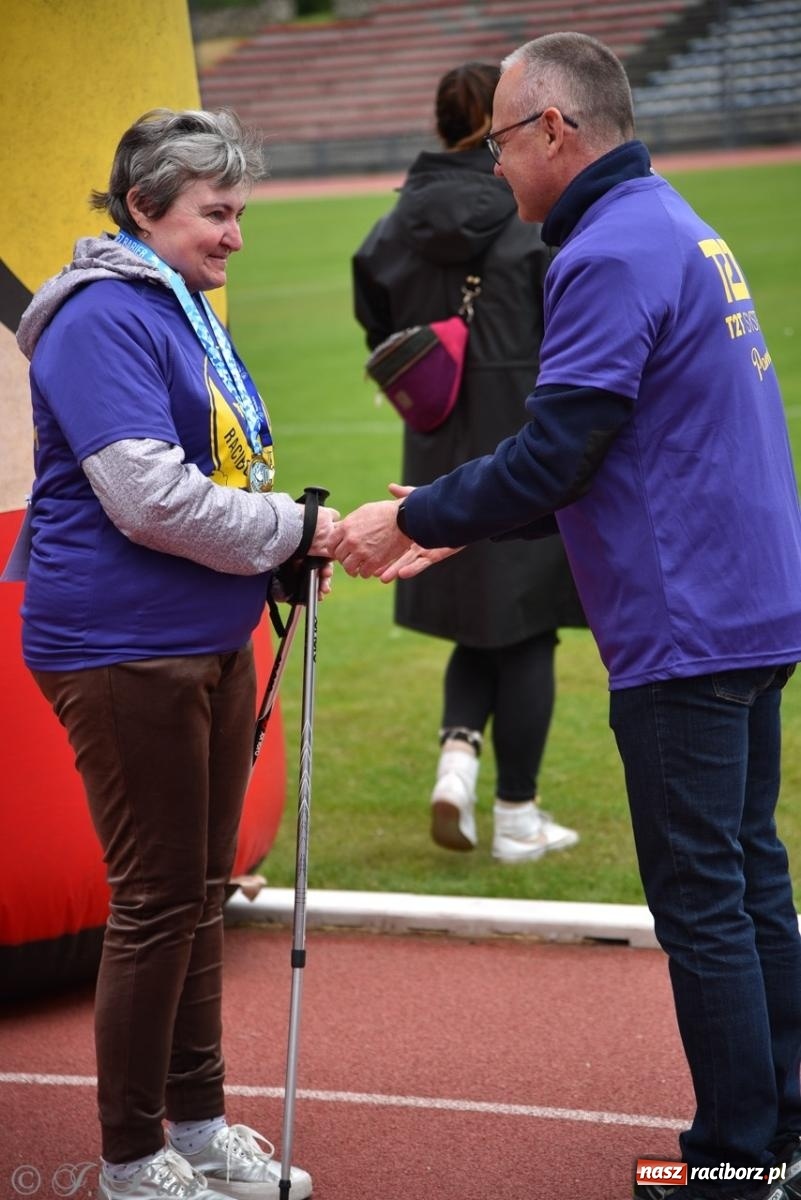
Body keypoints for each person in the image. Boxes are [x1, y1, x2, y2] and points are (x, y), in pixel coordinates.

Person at [328, 32, 801, 1200]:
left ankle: (742, 1160)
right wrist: (451, 522)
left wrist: (417, 515)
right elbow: (613, 455)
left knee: (704, 898)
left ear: (555, 130)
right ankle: (780, 1129)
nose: (493, 168)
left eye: (499, 142)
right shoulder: (676, 220)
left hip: (687, 617)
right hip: (750, 596)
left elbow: (556, 452)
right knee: (750, 878)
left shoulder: (603, 248)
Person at [14, 109, 338, 1200]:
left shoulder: (182, 306)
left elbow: (225, 472)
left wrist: (275, 549)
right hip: (120, 643)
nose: (237, 235)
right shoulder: (103, 315)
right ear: (146, 208)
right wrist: (289, 532)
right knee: (158, 899)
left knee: (201, 893)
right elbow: (146, 494)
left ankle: (195, 1127)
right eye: (217, 212)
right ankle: (129, 1157)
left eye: (239, 211)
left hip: (203, 632)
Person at [352, 62, 585, 863]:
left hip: (436, 441)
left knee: (482, 626)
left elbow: (376, 332)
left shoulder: (391, 226)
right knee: (525, 633)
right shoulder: (535, 213)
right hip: (524, 442)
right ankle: (516, 815)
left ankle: (456, 764)